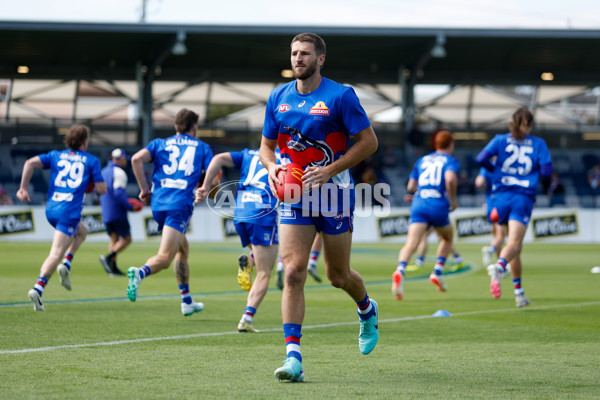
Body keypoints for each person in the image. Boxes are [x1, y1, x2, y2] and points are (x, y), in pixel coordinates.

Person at [259, 32, 379, 382]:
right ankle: (293, 358)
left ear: (320, 59)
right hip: (294, 196)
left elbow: (369, 142)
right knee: (293, 270)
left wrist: (330, 170)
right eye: (294, 53)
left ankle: (367, 309)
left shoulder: (341, 96)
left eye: (305, 53)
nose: (298, 58)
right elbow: (265, 147)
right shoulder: (277, 97)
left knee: (337, 276)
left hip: (335, 194)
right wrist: (272, 168)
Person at [128, 108, 212, 317]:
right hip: (179, 205)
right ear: (194, 127)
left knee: (183, 248)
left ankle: (186, 301)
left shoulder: (159, 143)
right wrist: (205, 187)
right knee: (165, 258)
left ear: (176, 126)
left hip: (158, 203)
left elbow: (136, 159)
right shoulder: (202, 147)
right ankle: (140, 273)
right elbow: (215, 178)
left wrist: (144, 189)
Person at [16, 125, 106, 311]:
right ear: (84, 141)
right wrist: (91, 183)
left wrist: (23, 188)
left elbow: (29, 164)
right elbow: (102, 190)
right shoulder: (91, 160)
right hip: (69, 212)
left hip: (52, 209)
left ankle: (67, 263)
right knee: (55, 254)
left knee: (83, 232)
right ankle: (38, 289)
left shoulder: (56, 155)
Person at [196, 148, 280, 332]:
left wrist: (205, 186)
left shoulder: (248, 153)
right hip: (262, 213)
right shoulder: (285, 156)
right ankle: (247, 319)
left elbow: (218, 158)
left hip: (240, 212)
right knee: (265, 272)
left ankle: (250, 260)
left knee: (266, 254)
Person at [477, 107, 553, 308]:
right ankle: (500, 267)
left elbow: (481, 158)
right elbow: (546, 171)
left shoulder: (500, 140)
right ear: (529, 124)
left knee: (512, 246)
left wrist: (497, 172)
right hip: (522, 197)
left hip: (499, 197)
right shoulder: (538, 143)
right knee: (515, 243)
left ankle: (519, 293)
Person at [392, 130, 459, 301]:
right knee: (447, 238)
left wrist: (419, 192)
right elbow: (450, 179)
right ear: (450, 144)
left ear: (435, 144)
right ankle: (437, 271)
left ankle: (400, 270)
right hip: (438, 205)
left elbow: (411, 185)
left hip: (419, 204)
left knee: (411, 243)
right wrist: (452, 200)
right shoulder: (450, 161)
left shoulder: (422, 160)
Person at [99, 148, 139, 276]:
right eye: (124, 159)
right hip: (117, 212)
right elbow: (119, 194)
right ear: (120, 158)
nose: (125, 161)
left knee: (114, 238)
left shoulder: (103, 172)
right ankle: (109, 257)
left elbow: (97, 192)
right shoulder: (119, 173)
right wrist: (129, 207)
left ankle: (112, 269)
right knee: (127, 238)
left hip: (106, 211)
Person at [475, 166, 507, 267]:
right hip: (501, 204)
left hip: (489, 204)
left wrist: (487, 187)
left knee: (496, 237)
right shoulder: (505, 165)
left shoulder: (485, 168)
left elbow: (479, 183)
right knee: (501, 237)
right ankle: (490, 250)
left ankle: (500, 264)